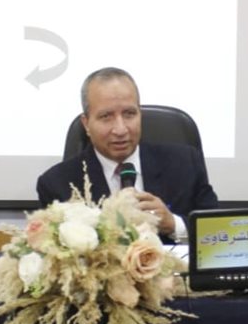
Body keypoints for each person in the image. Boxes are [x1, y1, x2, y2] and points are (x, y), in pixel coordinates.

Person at [36, 67, 218, 242]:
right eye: (106, 116)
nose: (121, 129)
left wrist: (174, 225)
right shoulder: (56, 184)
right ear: (86, 124)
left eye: (129, 114)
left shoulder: (185, 164)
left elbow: (219, 233)